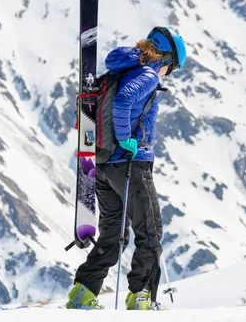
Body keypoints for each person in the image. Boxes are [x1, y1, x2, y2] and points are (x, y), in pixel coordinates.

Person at [66, 26, 187, 310]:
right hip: (130, 164)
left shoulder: (119, 71)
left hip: (103, 164)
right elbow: (122, 103)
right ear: (167, 58)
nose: (169, 73)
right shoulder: (147, 74)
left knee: (113, 234)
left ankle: (83, 292)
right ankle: (142, 296)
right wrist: (126, 140)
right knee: (150, 229)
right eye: (173, 67)